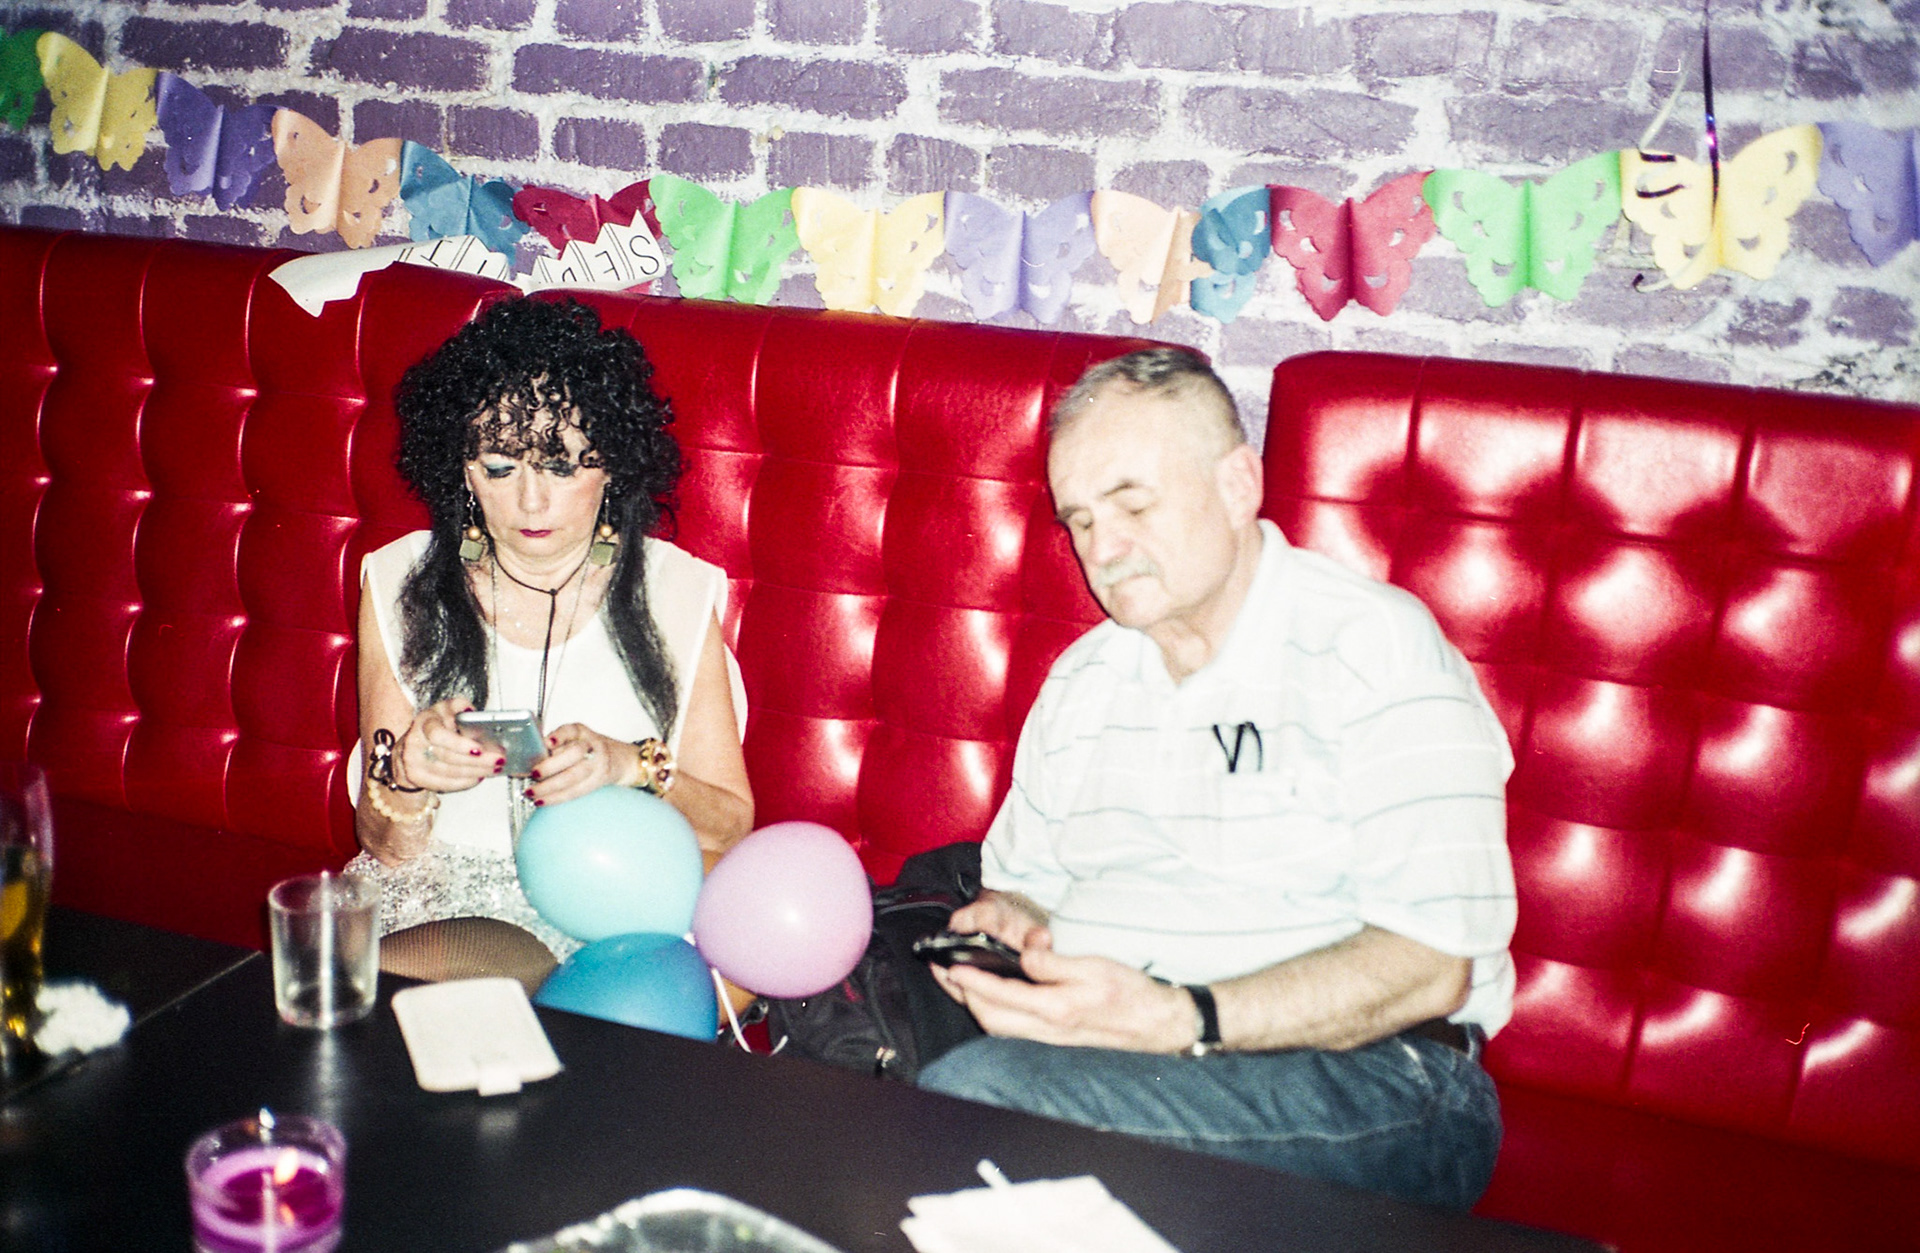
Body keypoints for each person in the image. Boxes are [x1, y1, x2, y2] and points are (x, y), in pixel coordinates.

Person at [917, 348, 1516, 1211]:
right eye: (1080, 520)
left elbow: (1431, 966)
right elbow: (1027, 890)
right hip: (1122, 1056)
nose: (1103, 549)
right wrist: (1014, 923)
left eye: (1133, 505)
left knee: (973, 1103)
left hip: (1384, 1078)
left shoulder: (1371, 648)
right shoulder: (1084, 681)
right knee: (852, 1060)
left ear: (1238, 485)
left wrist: (1180, 1017)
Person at [344, 298, 754, 986]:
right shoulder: (398, 580)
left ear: (611, 464)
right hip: (450, 911)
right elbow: (384, 847)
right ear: (464, 472)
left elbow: (730, 825)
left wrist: (630, 766)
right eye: (500, 468)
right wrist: (407, 775)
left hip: (616, 912)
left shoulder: (676, 591)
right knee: (381, 995)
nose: (531, 502)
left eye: (562, 467)